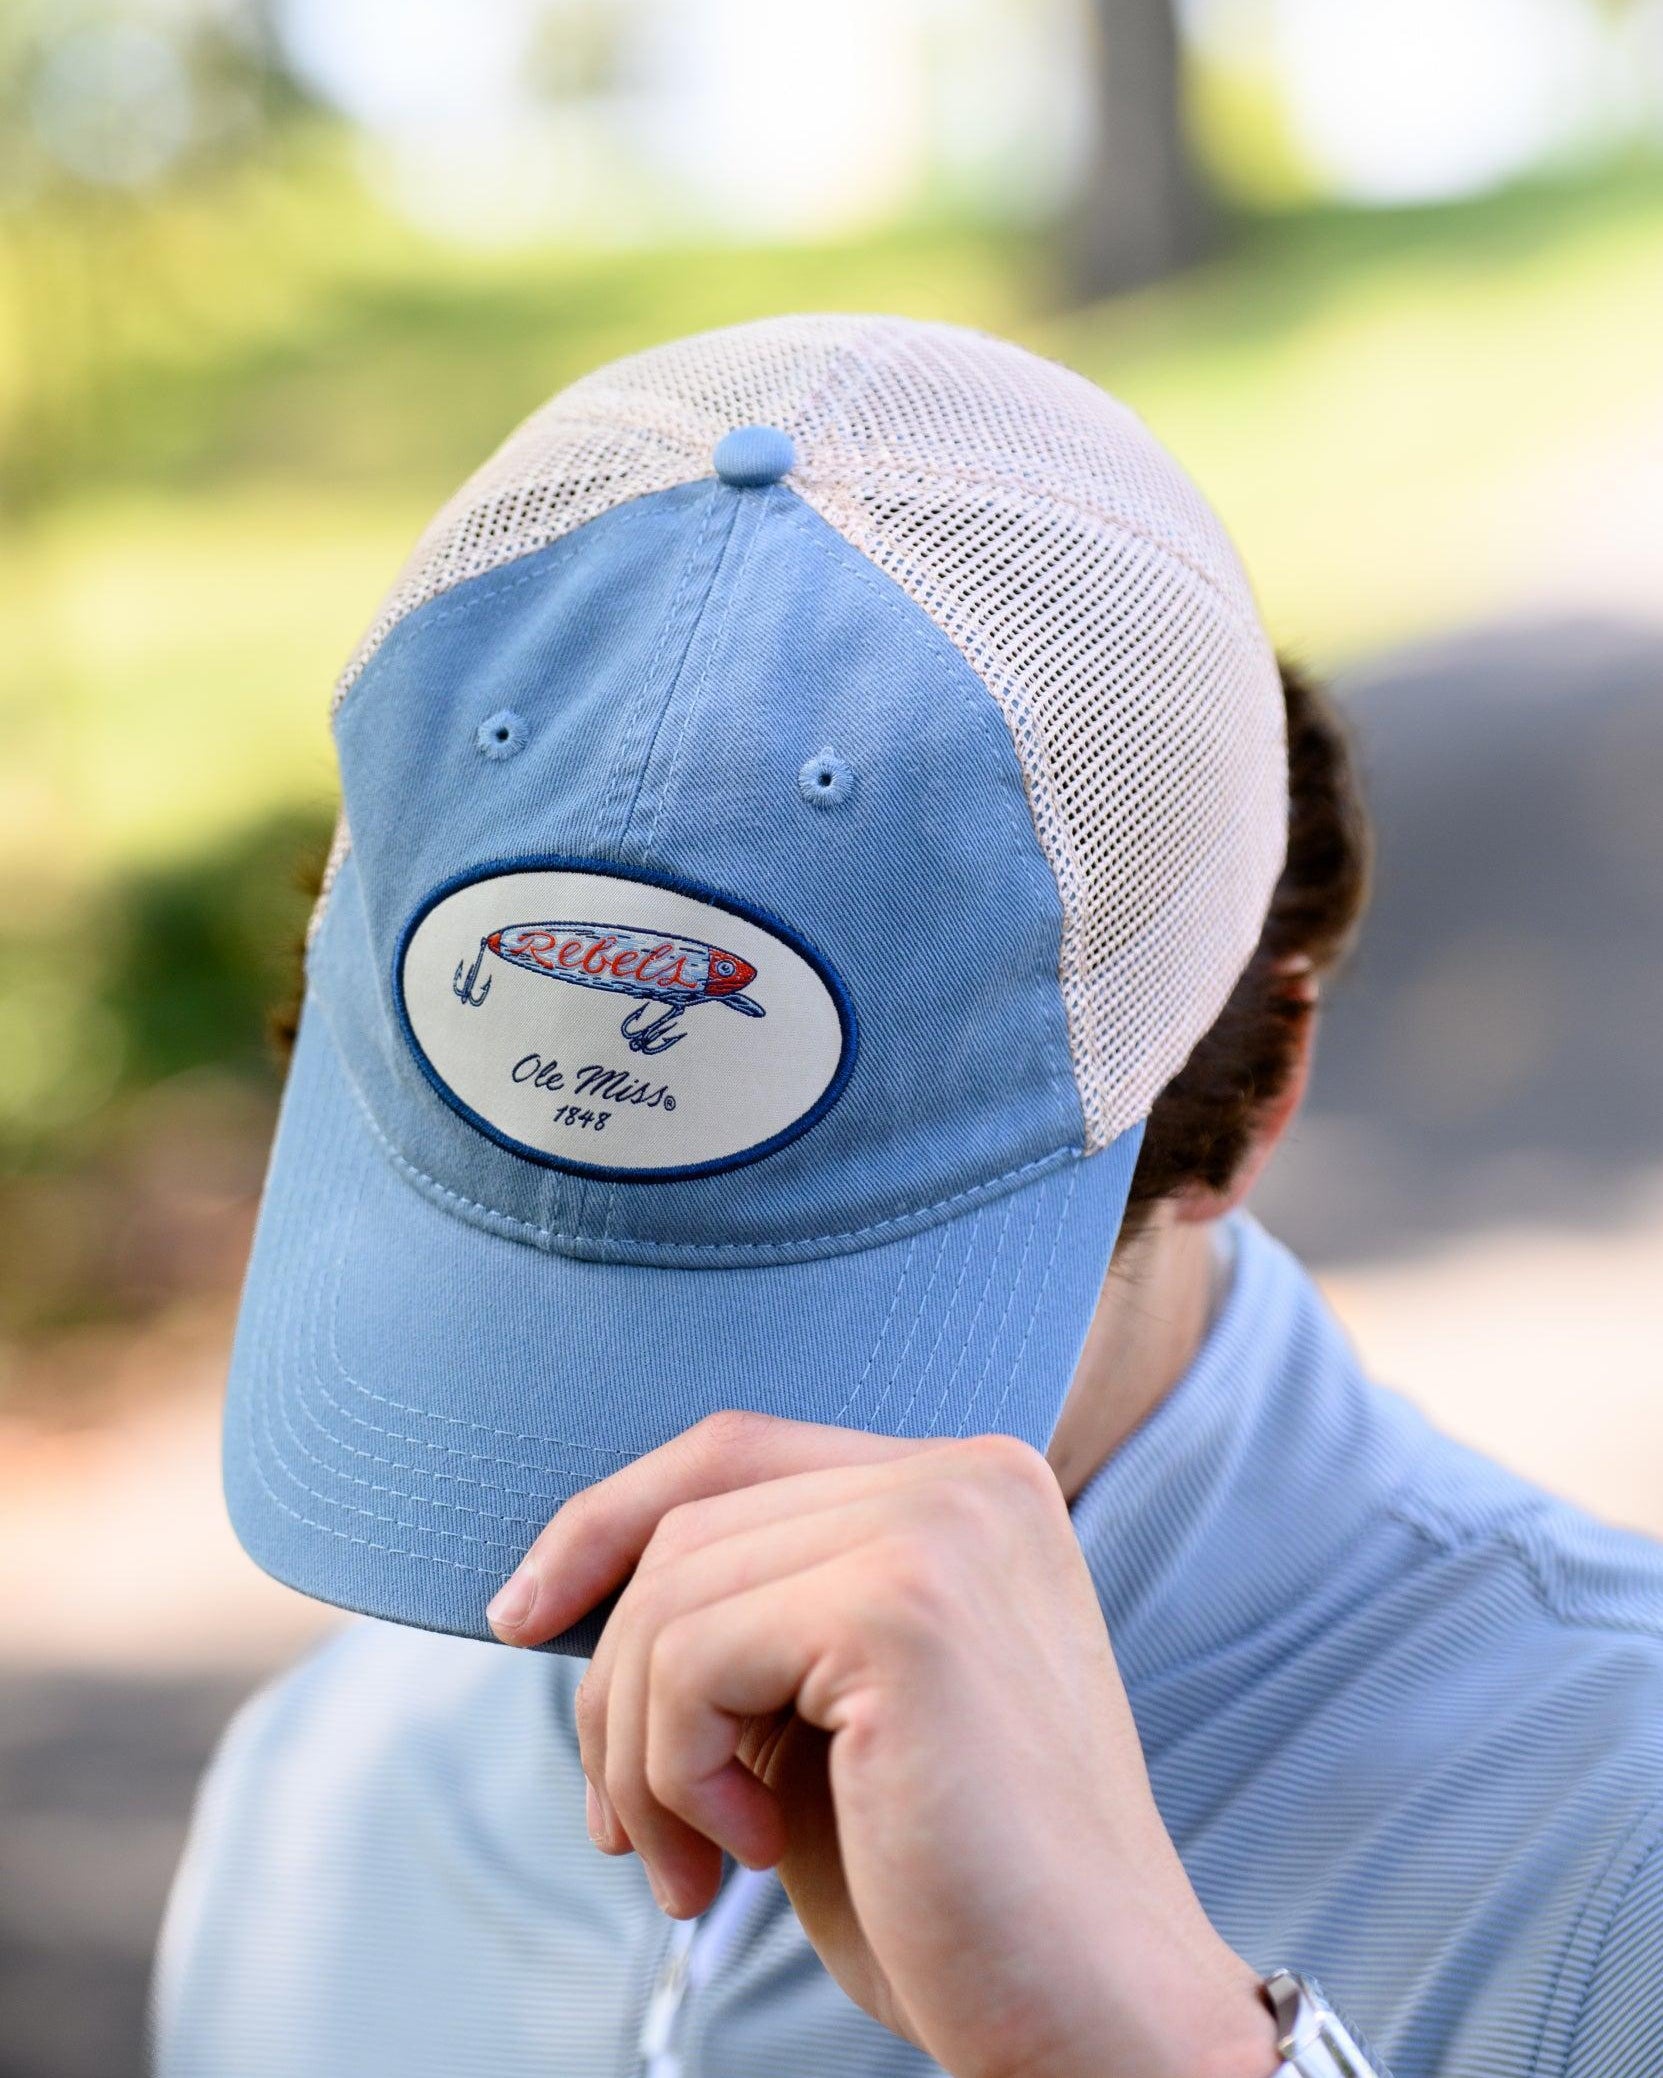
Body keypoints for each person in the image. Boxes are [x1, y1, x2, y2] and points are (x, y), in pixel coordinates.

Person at [154, 318, 1663, 2078]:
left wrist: (1176, 2055)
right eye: (498, 1283)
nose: (612, 1524)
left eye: (803, 1326)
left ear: (1245, 1101)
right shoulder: (318, 1797)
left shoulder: (1615, 1849)